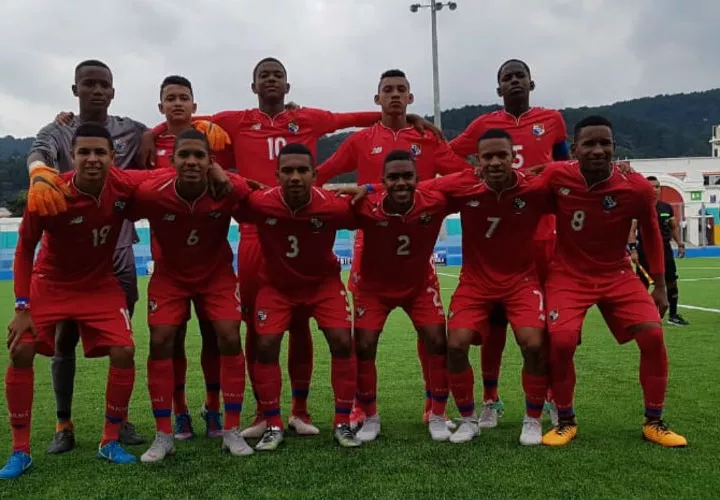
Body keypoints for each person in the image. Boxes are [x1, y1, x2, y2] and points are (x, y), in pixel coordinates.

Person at [150, 58, 438, 438]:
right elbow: (182, 119)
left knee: (301, 322)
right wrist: (150, 135)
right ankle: (260, 413)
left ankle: (300, 410)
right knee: (257, 328)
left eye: (278, 76)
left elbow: (348, 118)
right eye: (264, 76)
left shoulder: (311, 119)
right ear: (253, 85)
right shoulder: (233, 120)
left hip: (304, 222)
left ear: (288, 85)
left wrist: (401, 114)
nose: (271, 81)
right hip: (259, 232)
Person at [1, 124, 162, 479]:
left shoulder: (123, 185)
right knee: (22, 350)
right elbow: (25, 249)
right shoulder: (51, 191)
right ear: (71, 157)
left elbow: (167, 174)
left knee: (124, 350)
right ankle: (20, 451)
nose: (92, 159)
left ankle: (109, 441)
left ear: (112, 157)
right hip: (51, 283)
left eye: (100, 152)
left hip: (98, 284)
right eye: (84, 152)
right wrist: (22, 307)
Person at [316, 69, 470, 428]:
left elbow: (463, 174)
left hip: (416, 238)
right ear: (377, 99)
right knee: (363, 339)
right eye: (388, 90)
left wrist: (387, 190)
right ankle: (360, 407)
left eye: (402, 90)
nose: (395, 95)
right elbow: (321, 174)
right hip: (370, 241)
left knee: (431, 333)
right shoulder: (360, 140)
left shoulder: (427, 139)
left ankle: (435, 407)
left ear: (411, 98)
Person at [541, 116, 686, 447]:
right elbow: (527, 195)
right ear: (574, 149)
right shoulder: (557, 175)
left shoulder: (633, 185)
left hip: (616, 273)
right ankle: (565, 420)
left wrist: (660, 285)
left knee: (652, 335)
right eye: (589, 144)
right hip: (568, 273)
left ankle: (655, 421)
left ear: (613, 148)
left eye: (604, 143)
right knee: (561, 342)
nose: (597, 150)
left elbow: (650, 231)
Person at [24, 59, 146, 453]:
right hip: (69, 247)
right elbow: (37, 153)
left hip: (118, 247)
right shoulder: (58, 130)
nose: (96, 90)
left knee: (121, 341)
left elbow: (171, 133)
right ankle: (64, 422)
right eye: (88, 84)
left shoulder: (133, 129)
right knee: (64, 339)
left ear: (113, 91)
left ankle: (119, 420)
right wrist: (40, 173)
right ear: (75, 90)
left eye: (103, 84)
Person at [447, 59, 570, 429]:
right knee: (495, 323)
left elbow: (566, 167)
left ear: (532, 82)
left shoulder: (552, 120)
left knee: (543, 327)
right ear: (498, 88)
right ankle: (491, 399)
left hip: (543, 236)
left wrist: (543, 174)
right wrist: (476, 175)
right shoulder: (484, 124)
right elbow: (449, 153)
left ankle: (549, 397)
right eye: (506, 77)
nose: (514, 81)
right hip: (498, 236)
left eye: (519, 76)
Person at [131, 129, 253, 462]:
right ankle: (164, 433)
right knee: (161, 339)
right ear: (171, 161)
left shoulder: (226, 188)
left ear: (210, 161)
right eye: (184, 155)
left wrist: (221, 174)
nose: (191, 161)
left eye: (199, 156)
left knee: (228, 336)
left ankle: (230, 428)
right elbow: (116, 182)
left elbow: (248, 190)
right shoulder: (151, 193)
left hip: (217, 276)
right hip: (170, 277)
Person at [235, 143, 359, 450]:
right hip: (276, 287)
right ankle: (273, 423)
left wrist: (369, 186)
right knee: (265, 345)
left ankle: (343, 422)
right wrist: (240, 182)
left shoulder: (333, 205)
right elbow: (223, 190)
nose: (295, 177)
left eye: (302, 171)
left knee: (343, 341)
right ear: (276, 175)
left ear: (314, 174)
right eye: (287, 171)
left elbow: (382, 202)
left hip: (322, 285)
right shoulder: (260, 203)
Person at [433, 129, 551, 445]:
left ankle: (533, 419)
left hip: (521, 282)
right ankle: (469, 419)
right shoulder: (463, 185)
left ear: (514, 158)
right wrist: (372, 187)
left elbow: (575, 181)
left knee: (534, 344)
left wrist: (622, 171)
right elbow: (414, 189)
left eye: (502, 155)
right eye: (488, 156)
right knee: (455, 345)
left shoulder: (534, 187)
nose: (495, 162)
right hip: (475, 282)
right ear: (477, 161)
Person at [348, 149, 455, 442]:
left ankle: (436, 413)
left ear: (418, 179)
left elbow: (466, 178)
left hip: (418, 284)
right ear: (382, 180)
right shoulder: (365, 205)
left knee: (437, 340)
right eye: (393, 177)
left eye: (407, 176)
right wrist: (366, 190)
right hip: (373, 287)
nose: (401, 183)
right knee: (365, 345)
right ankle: (369, 415)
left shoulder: (435, 202)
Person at [153, 75, 236, 440]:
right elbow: (120, 179)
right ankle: (179, 413)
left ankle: (214, 411)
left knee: (220, 336)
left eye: (183, 98)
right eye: (169, 98)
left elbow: (256, 191)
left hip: (214, 270)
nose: (176, 103)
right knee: (167, 339)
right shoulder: (149, 151)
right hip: (170, 270)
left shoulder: (218, 147)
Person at [629, 176, 689, 326]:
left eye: (657, 187)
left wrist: (680, 244)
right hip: (645, 252)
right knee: (642, 286)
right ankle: (639, 316)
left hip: (665, 251)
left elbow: (673, 227)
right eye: (651, 187)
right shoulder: (638, 207)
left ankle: (673, 315)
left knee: (672, 282)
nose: (654, 190)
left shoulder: (666, 207)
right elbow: (632, 230)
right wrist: (633, 249)